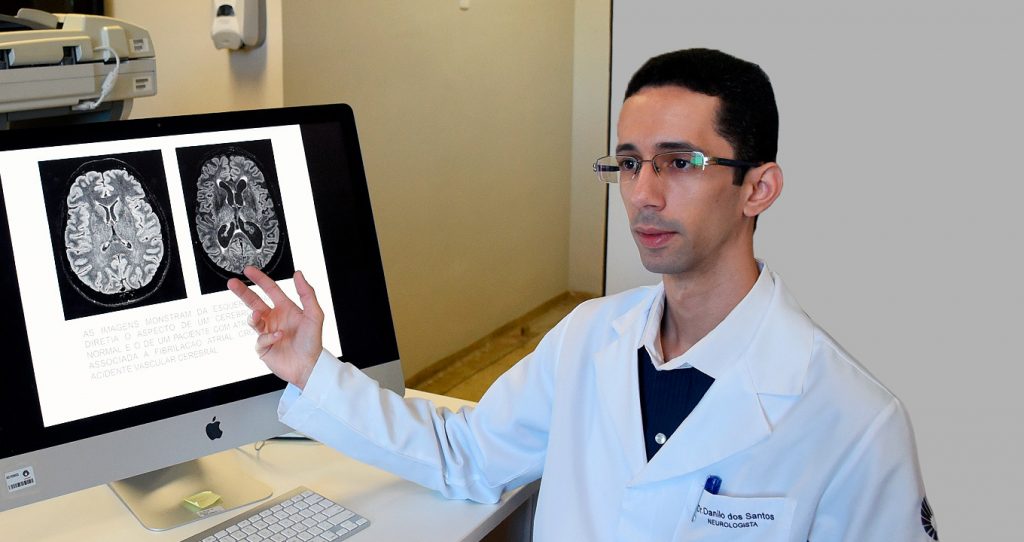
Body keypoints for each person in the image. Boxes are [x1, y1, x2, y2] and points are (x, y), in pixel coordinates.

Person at [228, 48, 937, 541]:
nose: (644, 194)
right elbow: (465, 455)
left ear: (759, 187)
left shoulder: (853, 422)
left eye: (679, 162)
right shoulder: (589, 337)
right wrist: (312, 369)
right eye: (629, 164)